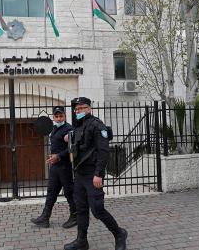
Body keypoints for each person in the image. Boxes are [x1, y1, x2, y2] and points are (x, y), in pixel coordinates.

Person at [63, 97, 127, 250]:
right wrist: (69, 138)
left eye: (81, 108)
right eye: (76, 109)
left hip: (92, 174)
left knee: (97, 209)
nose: (78, 111)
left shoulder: (97, 125)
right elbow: (77, 146)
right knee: (81, 209)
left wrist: (99, 174)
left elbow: (104, 151)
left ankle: (119, 234)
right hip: (79, 173)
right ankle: (82, 241)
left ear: (89, 108)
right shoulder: (78, 126)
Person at [31, 106, 77, 229]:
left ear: (65, 116)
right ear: (53, 117)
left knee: (69, 192)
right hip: (55, 167)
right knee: (51, 192)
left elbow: (72, 149)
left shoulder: (69, 129)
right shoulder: (55, 128)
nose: (58, 118)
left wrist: (58, 156)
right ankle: (45, 218)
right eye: (56, 116)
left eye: (61, 116)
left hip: (64, 166)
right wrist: (55, 158)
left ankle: (75, 216)